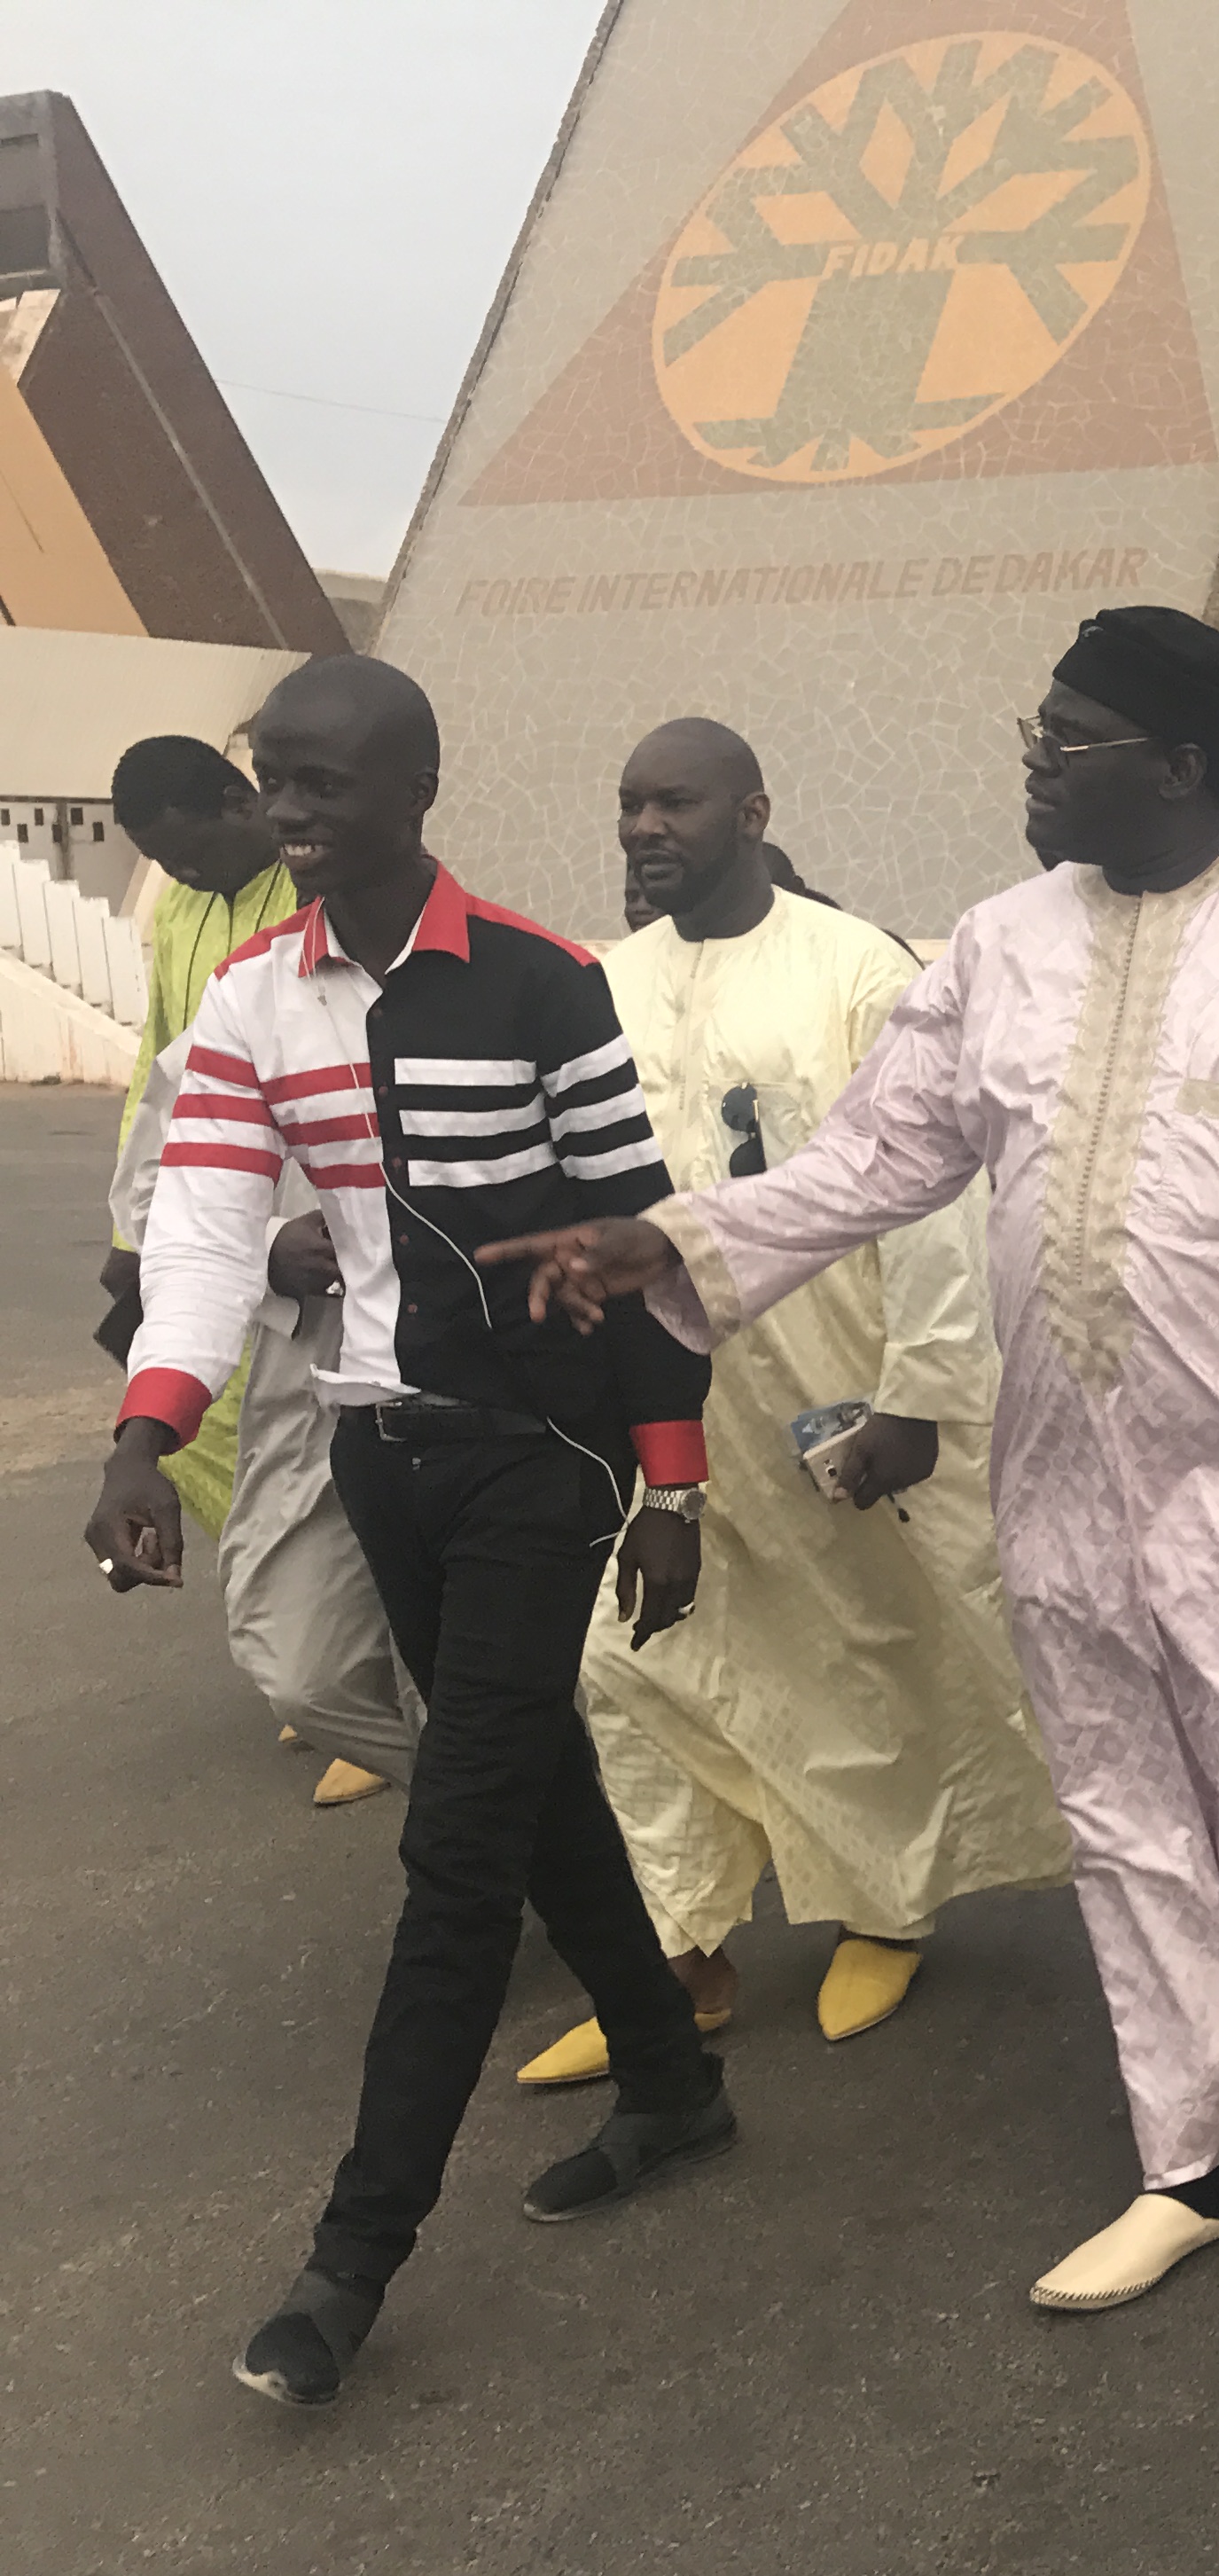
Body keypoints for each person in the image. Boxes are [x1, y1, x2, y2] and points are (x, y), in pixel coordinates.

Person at [481, 607, 1219, 2314]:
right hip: (1068, 1453)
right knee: (1127, 1815)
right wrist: (668, 1238)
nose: (1033, 768)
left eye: (1070, 743)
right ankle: (1186, 2155)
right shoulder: (998, 942)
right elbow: (876, 1157)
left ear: (1181, 766)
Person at [85, 655, 736, 2411]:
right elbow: (212, 1234)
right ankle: (674, 2084)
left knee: (456, 1853)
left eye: (323, 785)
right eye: (272, 780)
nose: (290, 814)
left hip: (545, 1451)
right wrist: (148, 1434)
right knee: (526, 1786)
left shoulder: (539, 980)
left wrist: (672, 1485)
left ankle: (351, 2260)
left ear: (416, 791)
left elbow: (634, 1232)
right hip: (385, 1449)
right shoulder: (249, 1001)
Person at [510, 718, 1070, 2086]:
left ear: (753, 810)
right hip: (655, 1392)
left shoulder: (856, 968)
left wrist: (919, 1390)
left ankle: (885, 1906)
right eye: (630, 804)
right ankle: (682, 1954)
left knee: (859, 1656)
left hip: (836, 1374)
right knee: (632, 1666)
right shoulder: (596, 978)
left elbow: (941, 1196)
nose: (646, 827)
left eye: (677, 802)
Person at [105, 1040, 423, 1805]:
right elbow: (154, 1201)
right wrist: (269, 1243)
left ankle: (502, 1853)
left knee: (451, 1657)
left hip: (463, 1365)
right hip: (309, 1361)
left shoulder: (495, 988)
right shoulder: (239, 1020)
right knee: (298, 1664)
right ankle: (529, 1817)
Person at [97, 737, 307, 1553]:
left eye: (185, 854)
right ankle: (270, 1580)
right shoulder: (182, 912)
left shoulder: (318, 894)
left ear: (238, 802)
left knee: (277, 1413)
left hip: (291, 1203)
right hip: (195, 1194)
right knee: (195, 1421)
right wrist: (132, 1229)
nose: (179, 877)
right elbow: (155, 1066)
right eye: (161, 863)